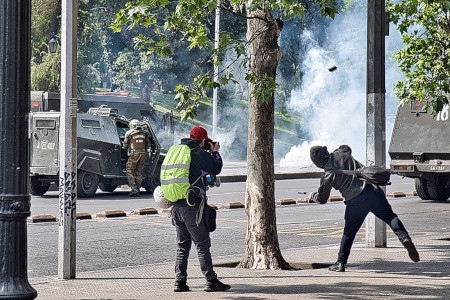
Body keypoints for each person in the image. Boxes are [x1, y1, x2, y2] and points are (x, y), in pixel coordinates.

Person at [307, 145, 420, 272]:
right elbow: (346, 147)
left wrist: (313, 196)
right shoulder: (341, 153)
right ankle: (404, 237)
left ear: (317, 163)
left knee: (349, 233)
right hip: (372, 190)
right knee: (390, 217)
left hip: (355, 201)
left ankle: (340, 263)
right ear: (326, 151)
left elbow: (322, 199)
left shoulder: (327, 176)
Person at [167, 126, 230, 293]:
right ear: (202, 141)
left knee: (182, 246)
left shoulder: (179, 152)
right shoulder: (198, 154)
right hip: (192, 206)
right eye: (206, 142)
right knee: (202, 244)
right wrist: (215, 151)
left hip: (176, 206)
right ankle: (211, 280)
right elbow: (216, 168)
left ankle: (179, 281)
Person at [122, 119, 151, 197]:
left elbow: (124, 146)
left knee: (129, 170)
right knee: (139, 172)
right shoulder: (145, 133)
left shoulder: (129, 133)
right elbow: (148, 144)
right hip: (143, 154)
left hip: (134, 154)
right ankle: (138, 188)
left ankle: (134, 189)